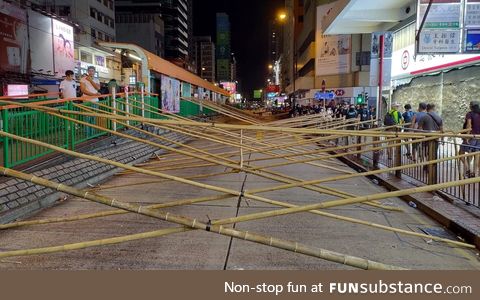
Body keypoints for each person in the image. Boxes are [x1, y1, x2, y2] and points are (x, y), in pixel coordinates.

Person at [463, 101, 480, 177]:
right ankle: (475, 173)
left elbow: (469, 125)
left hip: (472, 136)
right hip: (479, 137)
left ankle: (467, 172)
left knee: (469, 155)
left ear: (471, 106)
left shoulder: (469, 114)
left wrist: (467, 136)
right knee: (477, 155)